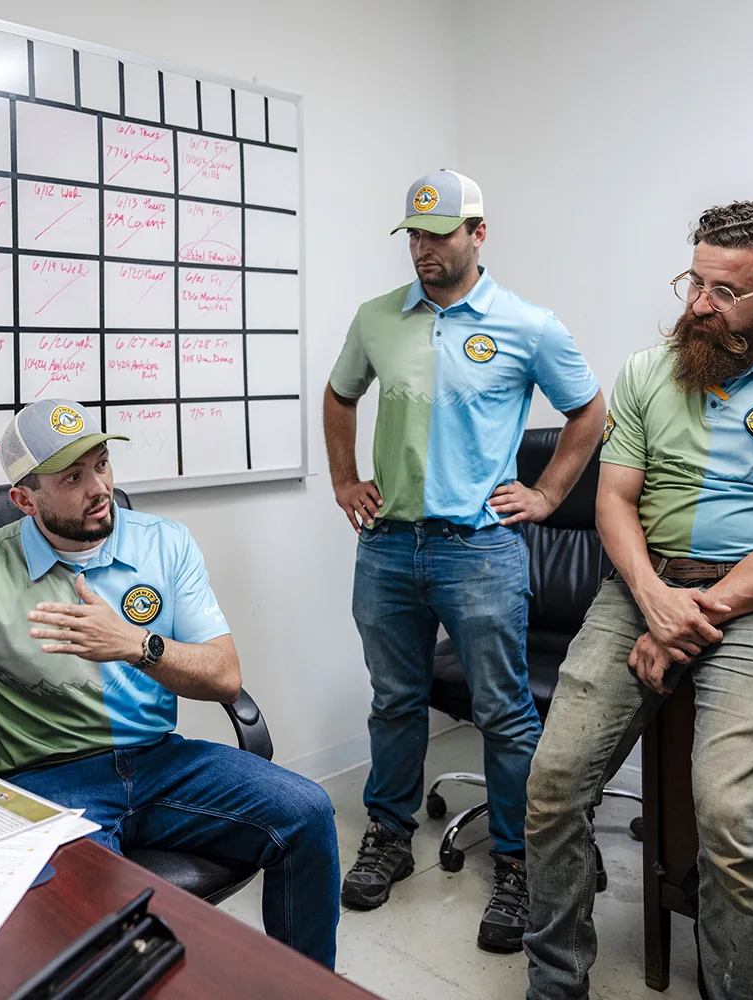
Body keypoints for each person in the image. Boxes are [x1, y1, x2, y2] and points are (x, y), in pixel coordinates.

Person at [0, 399, 340, 969]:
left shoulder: (164, 544)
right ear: (25, 500)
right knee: (103, 928)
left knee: (307, 810)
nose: (98, 486)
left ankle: (308, 984)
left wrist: (134, 644)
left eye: (102, 464)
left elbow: (225, 677)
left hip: (159, 762)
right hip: (48, 781)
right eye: (73, 477)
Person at [524, 200, 753, 1000]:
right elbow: (613, 504)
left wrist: (689, 617)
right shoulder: (643, 372)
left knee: (729, 817)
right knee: (553, 784)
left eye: (723, 291)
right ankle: (555, 982)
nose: (698, 304)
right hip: (643, 586)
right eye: (691, 282)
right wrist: (656, 600)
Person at [324, 169, 605, 950]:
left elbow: (588, 412)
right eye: (412, 234)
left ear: (478, 235)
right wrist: (346, 478)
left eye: (437, 234)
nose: (421, 249)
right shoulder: (377, 318)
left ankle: (516, 864)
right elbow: (340, 394)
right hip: (387, 547)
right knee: (394, 699)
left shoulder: (527, 324)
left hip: (479, 551)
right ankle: (389, 835)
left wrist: (547, 496)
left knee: (505, 714)